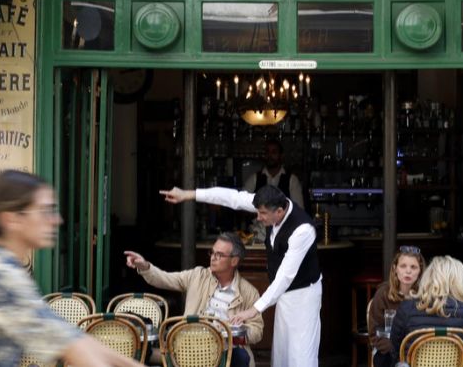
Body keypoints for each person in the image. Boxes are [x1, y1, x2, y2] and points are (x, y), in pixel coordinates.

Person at [0, 170, 143, 367]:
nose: (57, 219)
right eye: (45, 211)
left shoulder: (4, 266)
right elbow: (73, 349)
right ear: (12, 220)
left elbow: (72, 337)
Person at [161, 185, 321, 367]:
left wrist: (254, 309)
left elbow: (285, 276)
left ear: (279, 211)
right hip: (283, 296)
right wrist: (189, 194)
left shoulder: (303, 230)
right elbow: (232, 197)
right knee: (283, 356)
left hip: (304, 296)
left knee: (300, 356)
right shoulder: (269, 205)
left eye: (262, 214)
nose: (258, 217)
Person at [124, 232, 264, 367]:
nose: (213, 258)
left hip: (226, 348)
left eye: (219, 255)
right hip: (191, 344)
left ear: (234, 260)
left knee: (241, 357)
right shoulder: (198, 276)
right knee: (143, 351)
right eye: (212, 252)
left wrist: (233, 332)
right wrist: (144, 266)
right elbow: (164, 278)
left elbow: (257, 330)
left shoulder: (249, 292)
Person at [368, 245, 426, 367]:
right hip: (387, 350)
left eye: (413, 267)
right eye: (403, 266)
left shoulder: (425, 296)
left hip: (417, 351)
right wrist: (397, 352)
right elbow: (375, 333)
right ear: (395, 269)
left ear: (420, 270)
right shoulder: (383, 294)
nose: (408, 271)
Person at [243, 139, 304, 209]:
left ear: (281, 156)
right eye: (267, 152)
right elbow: (243, 203)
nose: (270, 156)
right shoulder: (254, 178)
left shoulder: (292, 180)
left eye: (274, 152)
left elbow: (299, 209)